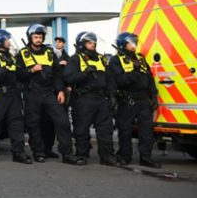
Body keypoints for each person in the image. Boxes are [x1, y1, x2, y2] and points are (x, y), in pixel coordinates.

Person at [16, 24, 84, 165]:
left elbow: (57, 74)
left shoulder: (49, 52)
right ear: (30, 38)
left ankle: (67, 153)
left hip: (48, 93)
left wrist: (60, 90)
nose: (38, 40)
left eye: (40, 37)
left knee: (62, 121)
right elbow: (17, 75)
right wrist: (31, 70)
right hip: (31, 93)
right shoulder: (22, 53)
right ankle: (39, 152)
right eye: (35, 37)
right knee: (34, 124)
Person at [64, 31, 119, 166]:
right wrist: (85, 73)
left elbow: (110, 79)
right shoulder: (75, 59)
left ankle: (106, 156)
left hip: (101, 98)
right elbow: (68, 78)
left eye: (94, 43)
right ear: (82, 45)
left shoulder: (102, 59)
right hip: (83, 99)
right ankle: (82, 154)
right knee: (81, 128)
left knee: (105, 129)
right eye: (89, 43)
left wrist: (112, 95)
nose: (93, 45)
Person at [109, 32, 161, 168]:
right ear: (123, 44)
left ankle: (146, 157)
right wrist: (134, 71)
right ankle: (125, 157)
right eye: (131, 43)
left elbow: (149, 78)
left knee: (147, 131)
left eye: (135, 42)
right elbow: (118, 80)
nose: (134, 45)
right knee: (125, 130)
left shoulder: (140, 58)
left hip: (143, 100)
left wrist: (154, 95)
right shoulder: (116, 60)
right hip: (127, 100)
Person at [0, 29, 32, 164]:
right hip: (1, 94)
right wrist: (5, 67)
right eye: (6, 40)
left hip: (14, 94)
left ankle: (18, 152)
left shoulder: (10, 56)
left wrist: (27, 71)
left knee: (17, 124)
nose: (9, 42)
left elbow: (17, 75)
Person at [40, 36, 70, 158]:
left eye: (60, 42)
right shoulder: (50, 54)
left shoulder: (68, 57)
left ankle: (64, 150)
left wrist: (68, 86)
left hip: (61, 92)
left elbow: (69, 74)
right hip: (48, 91)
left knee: (61, 121)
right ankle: (46, 149)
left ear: (64, 44)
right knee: (47, 123)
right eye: (56, 41)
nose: (58, 43)